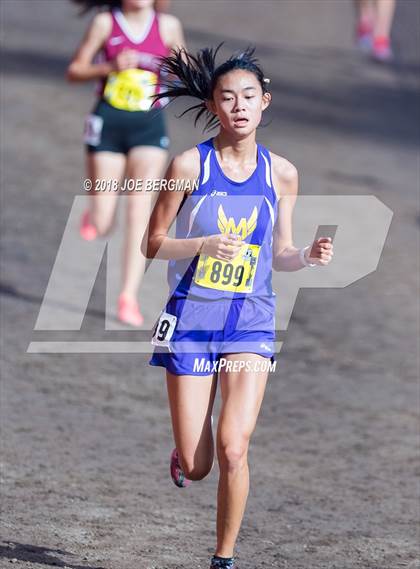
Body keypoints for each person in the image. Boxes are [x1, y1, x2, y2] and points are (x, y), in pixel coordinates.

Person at [142, 45, 334, 569]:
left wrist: (307, 257)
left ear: (265, 103)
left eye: (249, 96)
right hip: (191, 320)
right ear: (213, 105)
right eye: (228, 97)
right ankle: (185, 453)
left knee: (233, 448)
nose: (240, 106)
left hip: (250, 319)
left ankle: (223, 558)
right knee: (201, 463)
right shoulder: (188, 165)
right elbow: (152, 243)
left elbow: (281, 253)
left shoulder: (282, 174)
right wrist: (202, 246)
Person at [67, 0, 185, 326]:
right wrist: (109, 67)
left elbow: (187, 71)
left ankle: (127, 296)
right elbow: (75, 70)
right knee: (105, 221)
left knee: (138, 208)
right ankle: (97, 214)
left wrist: (185, 71)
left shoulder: (168, 26)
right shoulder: (106, 23)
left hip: (148, 127)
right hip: (108, 124)